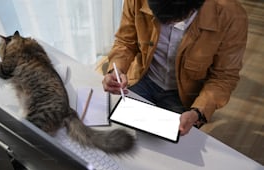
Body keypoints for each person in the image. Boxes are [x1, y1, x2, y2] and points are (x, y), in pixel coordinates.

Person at [102, 0, 248, 135]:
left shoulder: (232, 16)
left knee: (168, 149)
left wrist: (198, 111)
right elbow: (125, 41)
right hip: (142, 77)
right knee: (115, 128)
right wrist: (116, 70)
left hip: (184, 96)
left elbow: (223, 77)